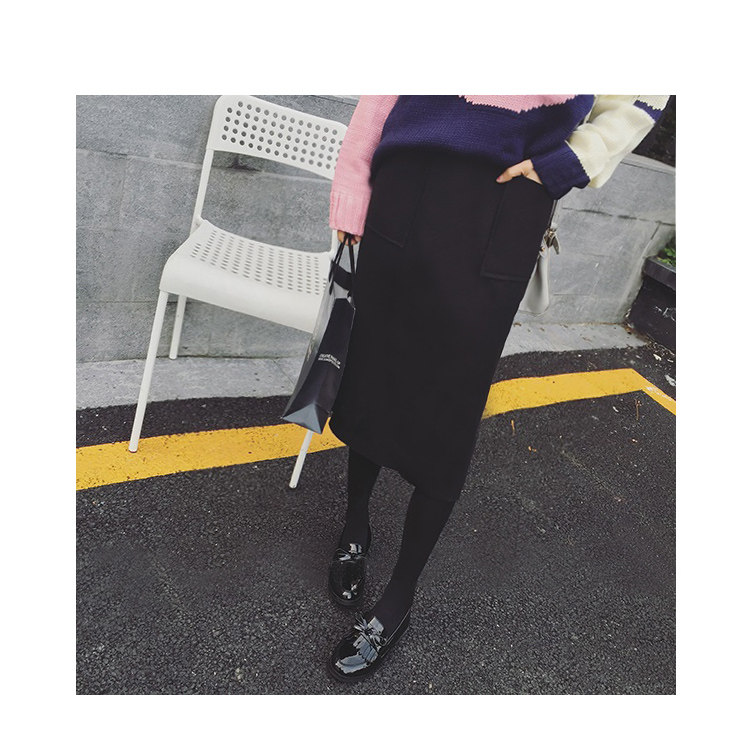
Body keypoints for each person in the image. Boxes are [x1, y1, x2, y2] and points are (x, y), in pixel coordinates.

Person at [324, 95, 669, 683]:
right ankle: (356, 524)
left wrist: (572, 159)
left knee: (450, 408)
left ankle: (400, 594)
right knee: (376, 374)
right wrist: (353, 184)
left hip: (503, 199)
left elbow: (646, 90)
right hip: (403, 184)